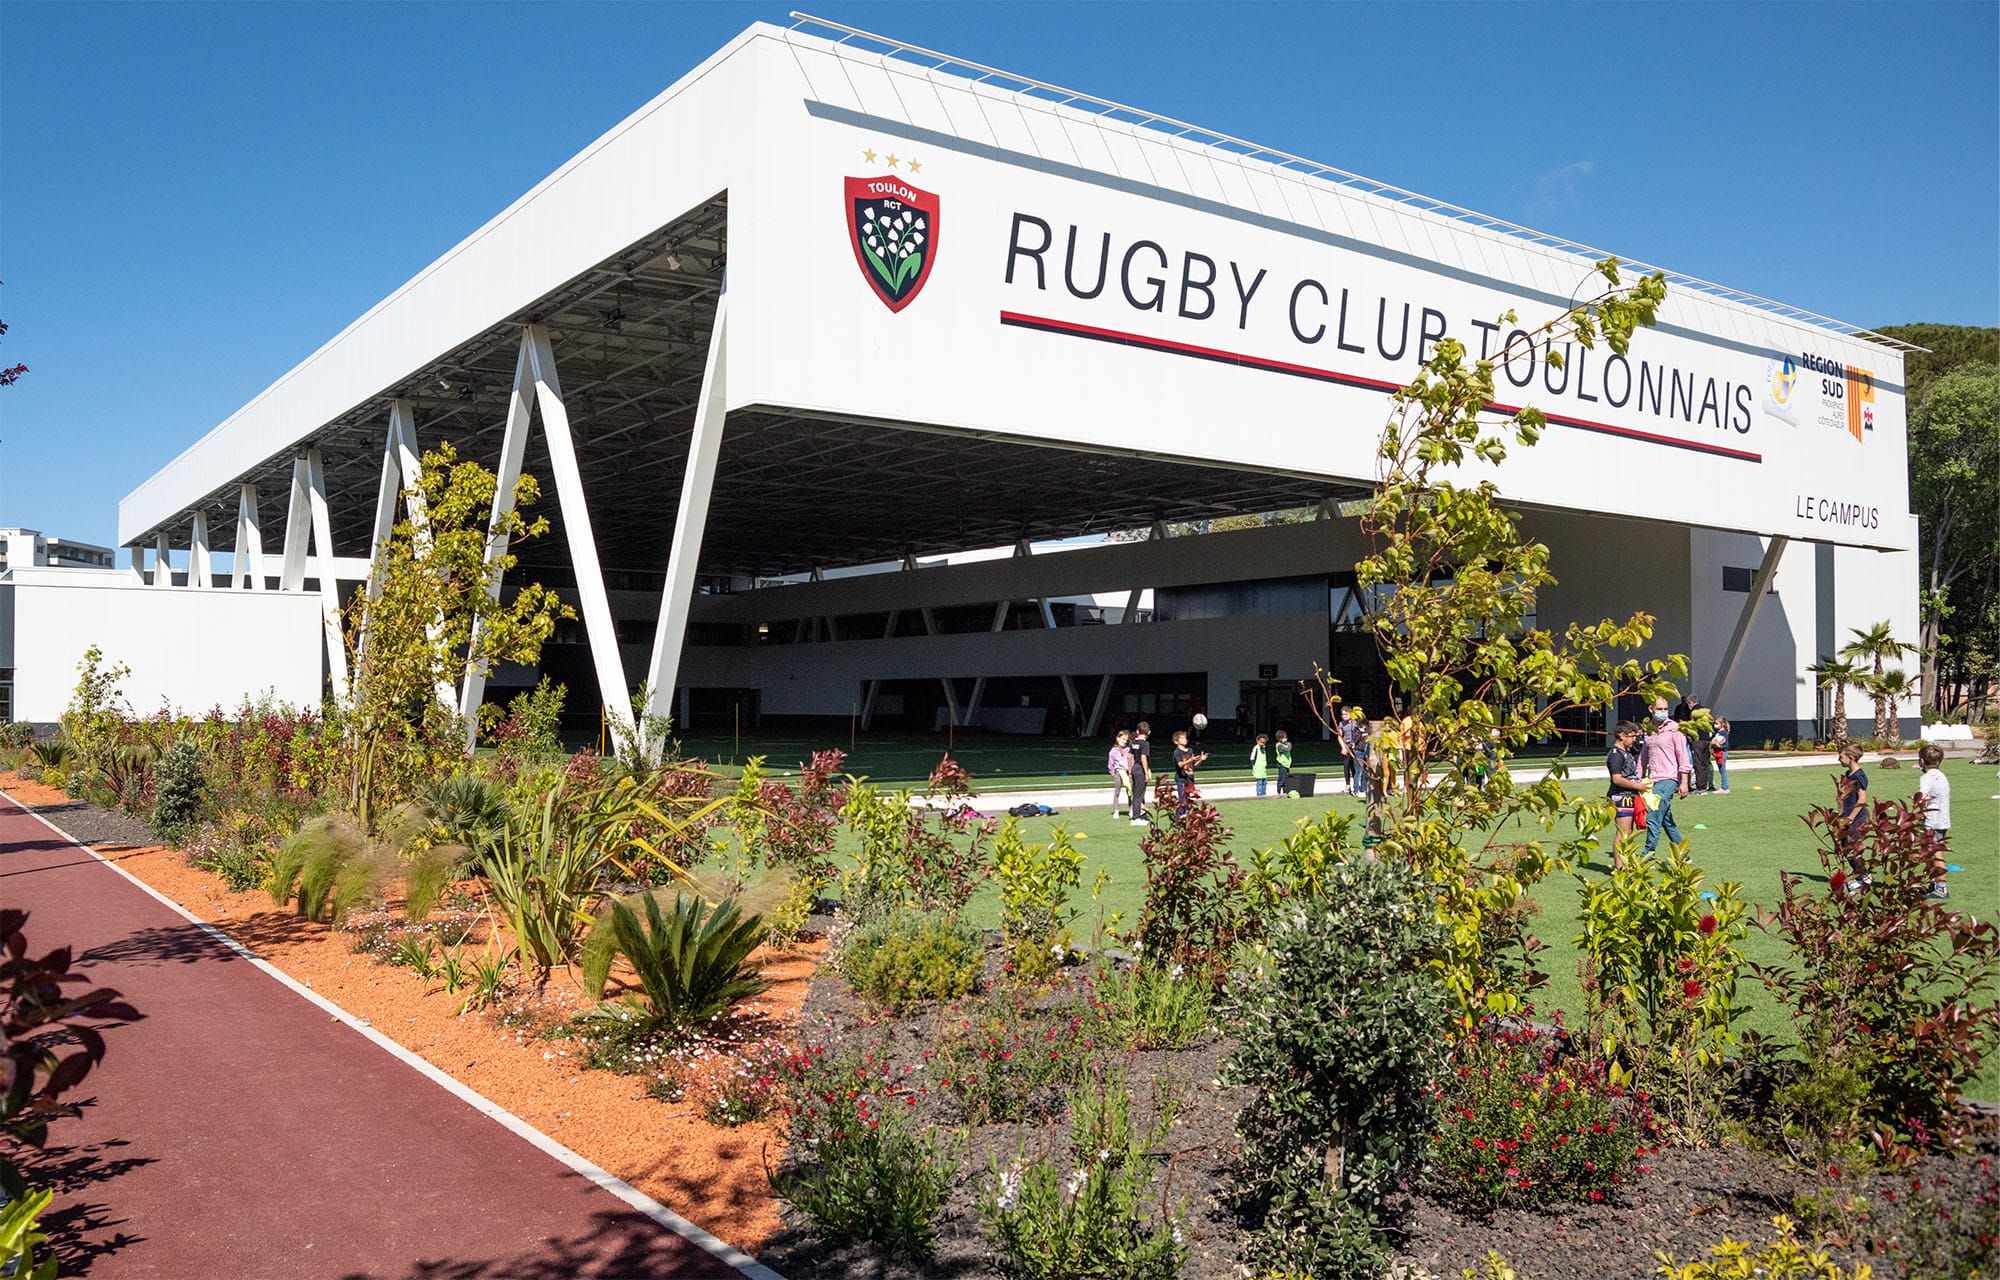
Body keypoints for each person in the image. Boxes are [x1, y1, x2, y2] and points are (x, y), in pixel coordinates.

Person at [1640, 694, 1692, 854]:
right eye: (1659, 709)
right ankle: (1683, 855)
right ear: (1651, 709)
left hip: (1669, 778)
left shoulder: (1675, 729)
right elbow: (1643, 757)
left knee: (1653, 817)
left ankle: (1647, 856)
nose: (1663, 712)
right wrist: (1639, 778)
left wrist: (1684, 782)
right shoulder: (1648, 730)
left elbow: (1683, 756)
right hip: (1653, 779)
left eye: (1665, 709)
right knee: (1666, 820)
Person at [1605, 719, 1649, 869]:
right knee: (1623, 833)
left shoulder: (1626, 752)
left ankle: (1626, 863)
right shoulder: (1616, 754)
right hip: (1620, 796)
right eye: (1632, 736)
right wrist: (1637, 786)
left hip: (1630, 796)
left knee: (1629, 832)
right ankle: (1620, 868)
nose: (1635, 739)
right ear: (1622, 735)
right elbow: (1617, 779)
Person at [1917, 743, 1951, 900]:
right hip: (1942, 819)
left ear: (1922, 761)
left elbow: (1922, 797)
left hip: (1932, 821)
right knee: (1929, 852)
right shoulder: (1942, 776)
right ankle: (1933, 884)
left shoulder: (1926, 778)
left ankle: (1941, 888)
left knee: (1935, 854)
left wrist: (1919, 809)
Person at [1834, 743, 1870, 885]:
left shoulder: (1859, 776)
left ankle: (1863, 877)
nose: (1838, 759)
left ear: (1851, 758)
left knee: (1853, 848)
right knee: (1845, 848)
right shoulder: (1848, 774)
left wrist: (1851, 818)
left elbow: (1862, 799)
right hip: (1846, 816)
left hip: (1856, 819)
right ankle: (1860, 874)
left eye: (1841, 757)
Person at [1674, 694, 1714, 794]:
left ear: (1691, 702)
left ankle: (1700, 787)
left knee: (1698, 763)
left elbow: (1691, 725)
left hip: (1697, 740)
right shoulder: (1705, 711)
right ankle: (1704, 786)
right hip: (1707, 740)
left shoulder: (1694, 712)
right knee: (1705, 763)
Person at [1171, 729, 1208, 819]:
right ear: (1176, 741)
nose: (1185, 740)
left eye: (1185, 738)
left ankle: (1186, 815)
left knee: (1188, 799)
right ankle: (1178, 817)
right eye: (1182, 738)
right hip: (1181, 778)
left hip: (1189, 778)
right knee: (1182, 798)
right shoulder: (1177, 752)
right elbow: (1180, 764)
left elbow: (1194, 764)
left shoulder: (1190, 750)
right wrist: (1190, 760)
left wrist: (1201, 760)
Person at [1128, 721, 1153, 826]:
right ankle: (1136, 817)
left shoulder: (1133, 743)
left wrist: (1130, 770)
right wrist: (1146, 772)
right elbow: (1143, 757)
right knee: (1139, 794)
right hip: (1140, 769)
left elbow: (1129, 756)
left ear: (1137, 731)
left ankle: (1135, 813)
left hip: (1134, 767)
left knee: (1135, 792)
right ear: (1149, 732)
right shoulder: (1145, 744)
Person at [1340, 707, 1368, 794]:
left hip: (1357, 747)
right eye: (1342, 714)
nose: (1344, 716)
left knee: (1357, 767)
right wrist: (1343, 747)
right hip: (1347, 746)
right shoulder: (1341, 724)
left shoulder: (1355, 723)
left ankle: (1360, 787)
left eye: (1346, 714)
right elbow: (1340, 736)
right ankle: (1348, 784)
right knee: (1346, 765)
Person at [1107, 729, 1133, 818]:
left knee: (1130, 791)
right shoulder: (1113, 751)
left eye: (1126, 740)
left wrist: (1131, 771)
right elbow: (1110, 763)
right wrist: (1113, 773)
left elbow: (1132, 760)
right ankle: (1116, 810)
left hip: (1128, 772)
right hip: (1119, 772)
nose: (1124, 741)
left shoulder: (1129, 749)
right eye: (1123, 739)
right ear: (1118, 738)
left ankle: (1131, 809)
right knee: (1117, 792)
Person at [1710, 718, 1731, 794]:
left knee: (1722, 770)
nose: (1715, 725)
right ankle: (1724, 787)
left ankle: (1725, 787)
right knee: (1721, 769)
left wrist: (1719, 746)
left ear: (1722, 724)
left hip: (1722, 752)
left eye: (1717, 723)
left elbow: (1726, 745)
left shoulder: (1723, 733)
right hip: (1718, 752)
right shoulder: (1718, 732)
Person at [1273, 729, 1294, 797]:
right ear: (1280, 738)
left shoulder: (1284, 744)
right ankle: (1279, 792)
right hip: (1282, 764)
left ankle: (1285, 792)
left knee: (1286, 780)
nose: (1286, 739)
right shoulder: (1279, 745)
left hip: (1286, 764)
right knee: (1281, 779)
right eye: (1284, 737)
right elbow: (1288, 749)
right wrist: (1290, 745)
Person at [1250, 732, 1270, 797]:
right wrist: (1254, 765)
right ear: (1257, 741)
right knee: (1260, 781)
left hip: (1263, 767)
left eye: (1263, 742)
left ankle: (1264, 793)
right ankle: (1259, 794)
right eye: (1261, 742)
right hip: (1258, 767)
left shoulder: (1263, 748)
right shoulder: (1256, 748)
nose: (1262, 743)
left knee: (1265, 781)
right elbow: (1252, 757)